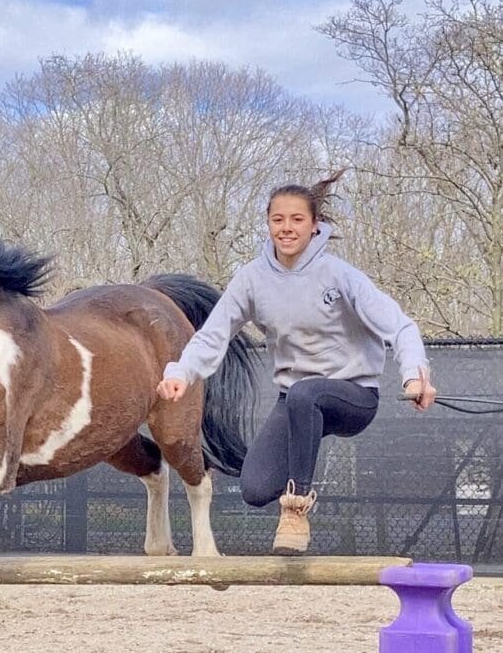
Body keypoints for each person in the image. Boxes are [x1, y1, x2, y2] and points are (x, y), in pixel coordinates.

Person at [156, 171, 437, 555]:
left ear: (314, 226)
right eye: (278, 220)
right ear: (269, 224)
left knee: (307, 394)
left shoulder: (339, 275)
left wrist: (414, 376)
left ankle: (296, 509)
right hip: (297, 402)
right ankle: (287, 475)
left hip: (352, 396)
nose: (286, 228)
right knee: (255, 489)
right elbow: (213, 333)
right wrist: (181, 373)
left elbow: (400, 326)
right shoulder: (253, 279)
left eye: (297, 220)